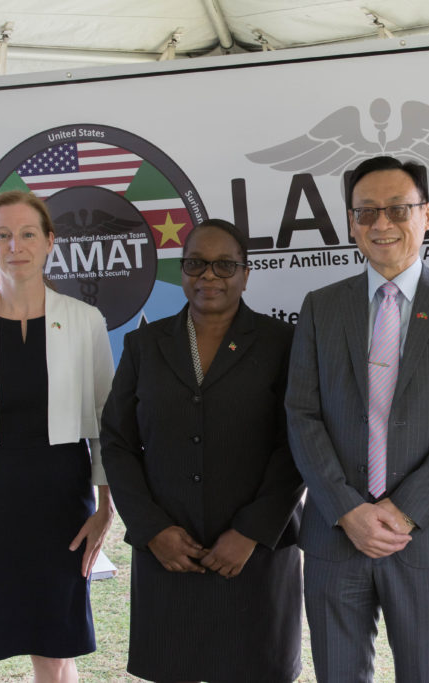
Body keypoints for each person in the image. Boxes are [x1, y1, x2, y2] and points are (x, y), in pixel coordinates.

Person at [285, 155, 429, 682]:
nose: (381, 223)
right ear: (351, 222)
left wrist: (404, 512)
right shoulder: (320, 307)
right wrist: (347, 510)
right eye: (366, 212)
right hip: (336, 532)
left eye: (398, 209)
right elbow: (302, 414)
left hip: (424, 536)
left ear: (427, 215)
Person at [100, 219, 304, 682]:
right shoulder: (144, 345)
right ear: (182, 271)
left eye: (224, 265)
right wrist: (152, 529)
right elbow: (117, 441)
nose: (209, 275)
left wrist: (250, 532)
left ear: (245, 274)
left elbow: (297, 443)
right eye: (196, 264)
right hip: (170, 555)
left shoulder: (282, 343)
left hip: (254, 554)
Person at [0, 190, 115, 683]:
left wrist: (105, 508)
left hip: (61, 504)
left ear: (50, 241)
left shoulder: (85, 321)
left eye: (28, 233)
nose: (16, 246)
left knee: (55, 651)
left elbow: (105, 422)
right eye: (3, 235)